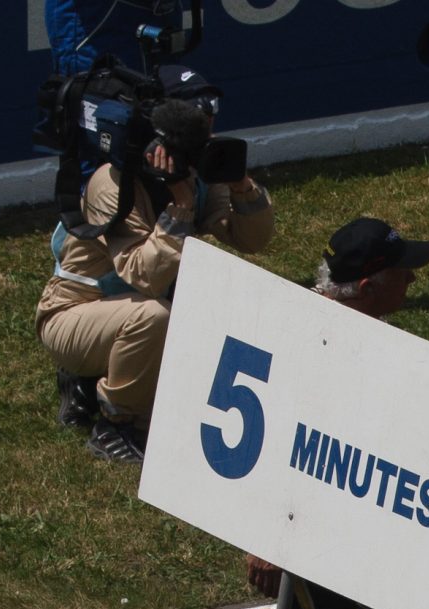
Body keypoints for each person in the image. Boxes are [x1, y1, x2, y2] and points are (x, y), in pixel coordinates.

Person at [214, 218, 429, 609]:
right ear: (367, 284)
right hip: (295, 527)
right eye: (401, 272)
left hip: (336, 520)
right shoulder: (313, 343)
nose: (413, 279)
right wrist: (267, 538)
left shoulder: (362, 331)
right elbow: (271, 438)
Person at [36, 95, 274, 462]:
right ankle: (116, 423)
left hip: (135, 307)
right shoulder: (111, 184)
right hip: (73, 314)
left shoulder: (194, 180)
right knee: (152, 317)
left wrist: (241, 185)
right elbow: (144, 275)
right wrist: (179, 207)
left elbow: (252, 239)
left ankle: (101, 378)